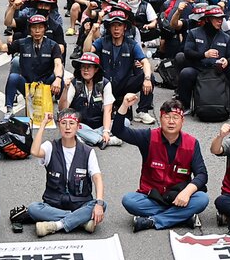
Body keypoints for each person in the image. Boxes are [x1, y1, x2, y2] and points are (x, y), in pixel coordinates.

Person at [113, 94, 209, 231]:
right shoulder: (148, 137)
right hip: (152, 197)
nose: (171, 121)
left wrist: (187, 192)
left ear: (182, 121)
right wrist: (124, 106)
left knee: (202, 199)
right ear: (160, 118)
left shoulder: (192, 143)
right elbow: (118, 131)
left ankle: (153, 221)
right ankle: (182, 217)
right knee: (129, 200)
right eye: (167, 117)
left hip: (179, 197)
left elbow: (202, 175)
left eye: (175, 118)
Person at [22, 108, 106, 237]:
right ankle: (80, 221)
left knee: (102, 204)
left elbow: (97, 178)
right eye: (63, 123)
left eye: (71, 123)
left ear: (78, 127)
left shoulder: (88, 151)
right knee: (34, 208)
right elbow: (34, 151)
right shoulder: (50, 147)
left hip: (80, 203)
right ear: (59, 126)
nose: (67, 127)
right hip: (54, 204)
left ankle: (56, 225)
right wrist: (43, 124)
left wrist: (99, 203)